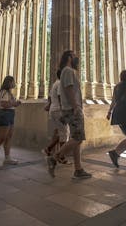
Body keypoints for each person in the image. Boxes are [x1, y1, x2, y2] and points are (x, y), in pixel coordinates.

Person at [47, 50, 92, 179]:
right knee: (78, 138)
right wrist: (76, 106)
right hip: (72, 109)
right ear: (69, 57)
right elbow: (69, 89)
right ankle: (54, 158)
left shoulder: (67, 71)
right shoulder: (68, 70)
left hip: (70, 109)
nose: (76, 57)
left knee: (75, 139)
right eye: (74, 55)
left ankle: (78, 169)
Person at [42, 70, 70, 162]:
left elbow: (50, 98)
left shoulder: (55, 83)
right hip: (58, 111)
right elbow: (60, 96)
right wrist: (63, 111)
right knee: (64, 134)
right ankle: (61, 156)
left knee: (59, 133)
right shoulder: (60, 84)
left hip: (53, 111)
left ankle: (48, 149)